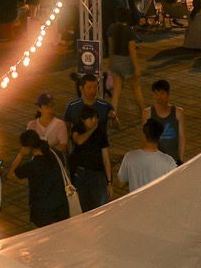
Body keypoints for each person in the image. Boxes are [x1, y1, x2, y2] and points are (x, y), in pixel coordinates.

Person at [62, 78, 113, 209]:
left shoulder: (101, 130)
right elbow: (78, 140)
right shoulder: (77, 128)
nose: (94, 121)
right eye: (91, 119)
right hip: (80, 172)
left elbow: (106, 158)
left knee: (100, 208)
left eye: (95, 87)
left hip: (97, 172)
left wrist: (109, 181)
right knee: (83, 206)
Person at [10, 129, 72, 227]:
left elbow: (11, 175)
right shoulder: (56, 154)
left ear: (27, 147)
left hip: (42, 209)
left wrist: (20, 154)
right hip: (61, 204)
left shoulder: (33, 166)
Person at [117, 118, 179, 193]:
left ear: (143, 135)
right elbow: (175, 185)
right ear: (159, 137)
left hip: (136, 202)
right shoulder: (168, 161)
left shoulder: (129, 157)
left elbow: (121, 183)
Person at [106, 16, 141, 120]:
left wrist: (110, 62)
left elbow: (111, 47)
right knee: (136, 88)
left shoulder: (111, 28)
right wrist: (136, 67)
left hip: (115, 61)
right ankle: (143, 110)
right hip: (126, 61)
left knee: (116, 90)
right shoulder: (129, 30)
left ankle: (113, 112)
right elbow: (132, 49)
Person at [144, 80, 184, 162]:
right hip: (154, 160)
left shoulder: (178, 112)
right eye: (156, 94)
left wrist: (181, 159)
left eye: (162, 94)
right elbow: (145, 138)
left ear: (168, 94)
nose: (159, 97)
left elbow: (182, 138)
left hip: (173, 159)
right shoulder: (147, 113)